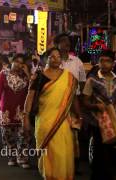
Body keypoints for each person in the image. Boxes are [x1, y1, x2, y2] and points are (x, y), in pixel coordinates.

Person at [24, 48, 79, 180]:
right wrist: (25, 117)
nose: (55, 59)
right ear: (46, 59)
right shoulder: (39, 77)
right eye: (52, 57)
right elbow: (30, 97)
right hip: (44, 121)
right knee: (49, 154)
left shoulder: (69, 77)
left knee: (63, 152)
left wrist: (79, 115)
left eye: (58, 56)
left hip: (63, 121)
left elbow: (73, 98)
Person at [82, 50, 116, 180]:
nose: (104, 64)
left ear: (113, 63)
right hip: (97, 123)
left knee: (109, 155)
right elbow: (85, 102)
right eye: (101, 61)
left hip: (112, 122)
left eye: (107, 61)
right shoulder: (92, 80)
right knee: (98, 156)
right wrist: (96, 106)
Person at [54, 33, 86, 173]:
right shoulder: (54, 62)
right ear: (57, 44)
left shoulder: (77, 61)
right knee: (59, 135)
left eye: (68, 42)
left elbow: (83, 82)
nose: (66, 44)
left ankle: (74, 165)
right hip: (56, 104)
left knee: (74, 135)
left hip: (74, 102)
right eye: (63, 41)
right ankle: (58, 164)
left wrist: (82, 103)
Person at [0, 54, 31, 169]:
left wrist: (28, 73)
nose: (19, 65)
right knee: (7, 135)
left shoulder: (26, 76)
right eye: (17, 62)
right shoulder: (3, 74)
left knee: (24, 135)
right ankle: (12, 157)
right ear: (11, 61)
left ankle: (22, 158)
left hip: (21, 110)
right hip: (6, 110)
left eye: (21, 63)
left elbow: (32, 89)